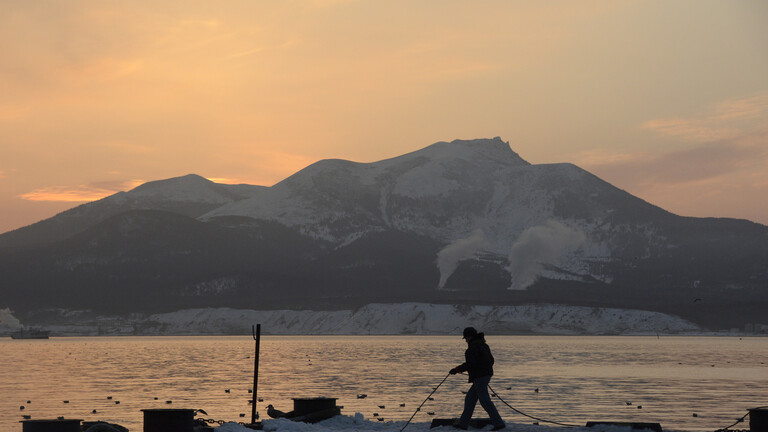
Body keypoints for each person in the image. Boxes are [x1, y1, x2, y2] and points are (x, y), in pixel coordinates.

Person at [449, 327, 505, 430]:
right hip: (485, 376)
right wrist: (485, 371)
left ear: (470, 336)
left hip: (480, 377)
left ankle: (498, 423)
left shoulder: (472, 348)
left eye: (466, 338)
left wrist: (456, 369)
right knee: (470, 399)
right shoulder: (484, 345)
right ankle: (463, 424)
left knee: (485, 401)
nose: (465, 340)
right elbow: (491, 360)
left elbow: (470, 364)